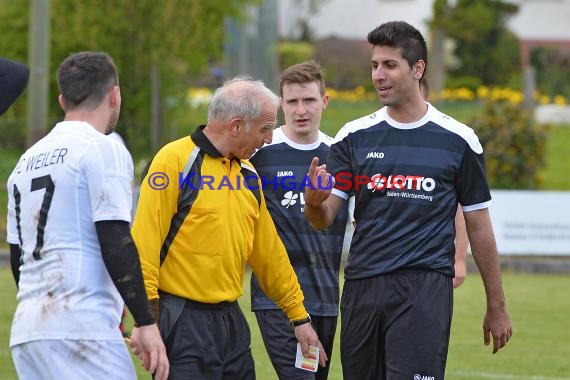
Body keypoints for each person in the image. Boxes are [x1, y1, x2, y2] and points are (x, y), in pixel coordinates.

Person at [304, 21, 513, 379]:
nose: (379, 75)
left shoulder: (459, 140)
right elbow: (323, 218)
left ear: (418, 69)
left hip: (424, 289)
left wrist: (497, 305)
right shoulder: (353, 136)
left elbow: (479, 227)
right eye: (374, 65)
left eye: (390, 65)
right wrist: (312, 201)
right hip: (362, 287)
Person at [130, 76, 327, 379]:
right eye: (264, 129)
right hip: (183, 321)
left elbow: (269, 254)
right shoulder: (173, 162)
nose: (269, 138)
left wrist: (299, 317)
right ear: (236, 126)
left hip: (231, 322)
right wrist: (148, 321)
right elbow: (143, 247)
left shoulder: (248, 174)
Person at [6, 51, 168, 380]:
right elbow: (116, 239)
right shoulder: (103, 147)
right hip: (81, 327)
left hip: (27, 331)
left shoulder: (24, 161)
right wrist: (146, 322)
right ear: (114, 94)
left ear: (63, 99)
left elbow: (16, 257)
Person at [249, 61, 348, 380]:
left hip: (325, 298)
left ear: (325, 101)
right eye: (292, 101)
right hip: (276, 298)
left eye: (309, 100)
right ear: (281, 104)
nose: (300, 109)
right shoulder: (258, 156)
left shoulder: (341, 156)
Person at [420, 79, 469, 288]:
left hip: (431, 269)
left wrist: (459, 260)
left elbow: (461, 211)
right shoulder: (372, 139)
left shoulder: (445, 144)